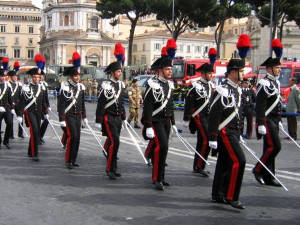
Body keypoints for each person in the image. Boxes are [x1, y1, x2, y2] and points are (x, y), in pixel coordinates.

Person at [208, 59, 246, 209]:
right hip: (225, 132)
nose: (243, 74)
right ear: (233, 72)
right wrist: (212, 136)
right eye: (241, 71)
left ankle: (218, 193)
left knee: (224, 162)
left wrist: (239, 133)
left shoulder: (237, 89)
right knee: (239, 161)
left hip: (233, 132)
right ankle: (232, 196)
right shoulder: (223, 89)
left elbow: (238, 113)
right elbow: (214, 114)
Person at [142, 57, 177, 191]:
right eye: (167, 69)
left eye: (170, 69)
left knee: (165, 149)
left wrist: (173, 123)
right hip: (156, 121)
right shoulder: (153, 84)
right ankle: (156, 178)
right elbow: (148, 107)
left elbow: (170, 105)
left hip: (166, 121)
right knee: (161, 146)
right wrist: (148, 125)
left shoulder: (169, 84)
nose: (170, 71)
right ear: (160, 70)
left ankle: (161, 177)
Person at [253, 57, 282, 187]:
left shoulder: (276, 83)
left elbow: (277, 104)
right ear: (270, 69)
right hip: (267, 120)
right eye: (277, 68)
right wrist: (260, 123)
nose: (279, 70)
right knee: (274, 146)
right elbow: (260, 105)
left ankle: (269, 176)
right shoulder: (264, 84)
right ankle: (258, 169)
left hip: (274, 120)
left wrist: (279, 120)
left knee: (269, 148)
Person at [95, 61, 126, 180]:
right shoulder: (106, 85)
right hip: (109, 117)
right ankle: (109, 169)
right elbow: (101, 104)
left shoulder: (121, 85)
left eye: (120, 71)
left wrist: (123, 118)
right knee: (115, 142)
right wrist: (98, 120)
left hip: (117, 118)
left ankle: (114, 168)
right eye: (118, 71)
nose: (120, 73)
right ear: (113, 73)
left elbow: (121, 103)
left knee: (115, 142)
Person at [16, 54, 48, 161]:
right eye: (34, 77)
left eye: (38, 77)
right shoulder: (26, 87)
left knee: (36, 131)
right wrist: (20, 115)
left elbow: (43, 101)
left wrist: (45, 112)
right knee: (34, 131)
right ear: (31, 77)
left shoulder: (42, 88)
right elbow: (21, 102)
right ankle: (35, 154)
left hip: (38, 112)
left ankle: (30, 151)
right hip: (29, 112)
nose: (36, 79)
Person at [183, 63, 213, 177]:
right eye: (209, 73)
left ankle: (198, 165)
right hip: (199, 117)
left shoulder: (210, 86)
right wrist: (187, 118)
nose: (211, 75)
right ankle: (200, 166)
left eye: (211, 73)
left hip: (208, 117)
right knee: (206, 140)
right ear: (204, 74)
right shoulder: (196, 86)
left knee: (202, 142)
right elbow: (189, 103)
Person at [58, 52, 87, 169]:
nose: (78, 77)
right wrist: (61, 119)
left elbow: (82, 103)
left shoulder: (80, 87)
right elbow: (61, 104)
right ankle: (68, 160)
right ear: (71, 76)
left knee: (78, 138)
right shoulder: (65, 86)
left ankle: (73, 159)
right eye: (75, 76)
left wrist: (84, 117)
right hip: (69, 115)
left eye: (79, 76)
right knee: (72, 137)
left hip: (77, 116)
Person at [8, 62, 24, 139]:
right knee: (10, 120)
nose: (15, 78)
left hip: (18, 104)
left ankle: (20, 133)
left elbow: (21, 95)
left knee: (21, 119)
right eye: (14, 77)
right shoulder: (8, 84)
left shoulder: (19, 85)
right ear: (11, 77)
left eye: (16, 76)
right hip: (10, 105)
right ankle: (11, 134)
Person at [0, 68, 14, 149]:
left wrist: (12, 107)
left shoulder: (7, 85)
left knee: (10, 123)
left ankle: (6, 141)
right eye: (1, 76)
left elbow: (10, 98)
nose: (3, 78)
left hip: (6, 107)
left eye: (4, 76)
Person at [39, 73, 51, 144]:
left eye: (42, 76)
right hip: (37, 107)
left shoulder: (45, 85)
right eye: (40, 76)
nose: (41, 77)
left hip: (44, 106)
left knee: (46, 121)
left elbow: (46, 97)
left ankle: (40, 136)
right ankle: (36, 138)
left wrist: (48, 106)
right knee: (37, 123)